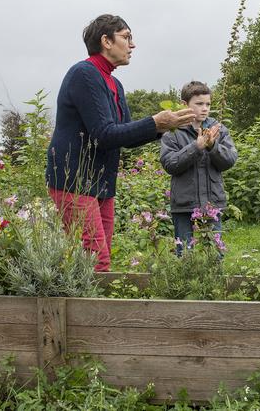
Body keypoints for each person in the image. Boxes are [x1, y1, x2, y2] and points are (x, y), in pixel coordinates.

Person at [46, 14, 195, 272]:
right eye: (126, 37)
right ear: (106, 41)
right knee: (94, 260)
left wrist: (162, 127)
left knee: (100, 260)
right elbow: (104, 134)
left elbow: (123, 135)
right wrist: (155, 121)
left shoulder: (114, 83)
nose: (132, 45)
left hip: (101, 183)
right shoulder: (84, 74)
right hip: (74, 181)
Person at [159, 81, 238, 255]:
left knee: (215, 253)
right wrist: (197, 146)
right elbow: (170, 164)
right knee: (184, 253)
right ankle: (184, 282)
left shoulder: (218, 129)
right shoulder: (173, 132)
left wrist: (212, 146)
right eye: (199, 104)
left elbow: (230, 160)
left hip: (212, 204)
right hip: (184, 204)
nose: (205, 108)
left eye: (208, 104)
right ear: (185, 105)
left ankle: (215, 281)